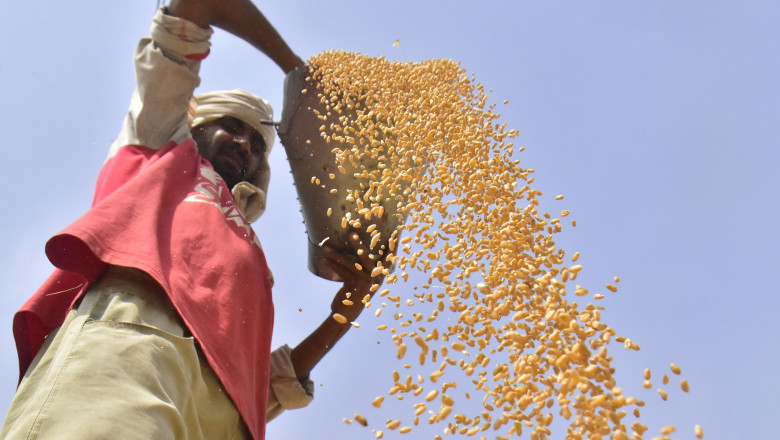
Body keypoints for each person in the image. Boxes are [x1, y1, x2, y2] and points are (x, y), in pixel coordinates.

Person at [1, 0, 383, 439]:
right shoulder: (159, 143)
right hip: (135, 347)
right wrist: (298, 73)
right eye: (232, 127)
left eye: (257, 145)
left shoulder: (248, 251)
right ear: (194, 125)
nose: (245, 145)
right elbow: (195, 5)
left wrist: (354, 299)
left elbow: (256, 386)